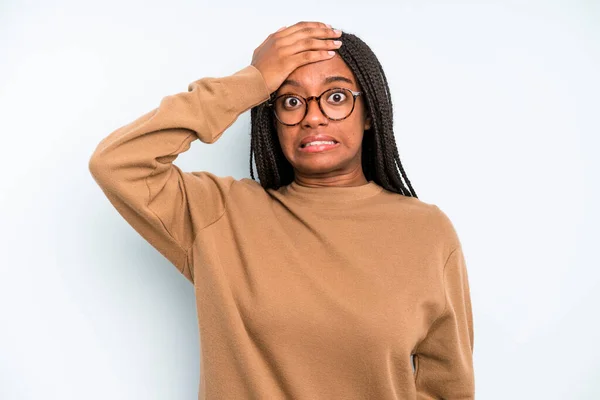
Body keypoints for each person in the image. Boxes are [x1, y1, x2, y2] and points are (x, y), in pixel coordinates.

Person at [89, 21, 475, 400]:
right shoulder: (218, 215)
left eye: (337, 97)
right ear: (271, 119)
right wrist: (252, 82)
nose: (313, 116)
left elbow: (448, 389)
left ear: (370, 112)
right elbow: (118, 164)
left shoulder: (427, 232)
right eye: (290, 101)